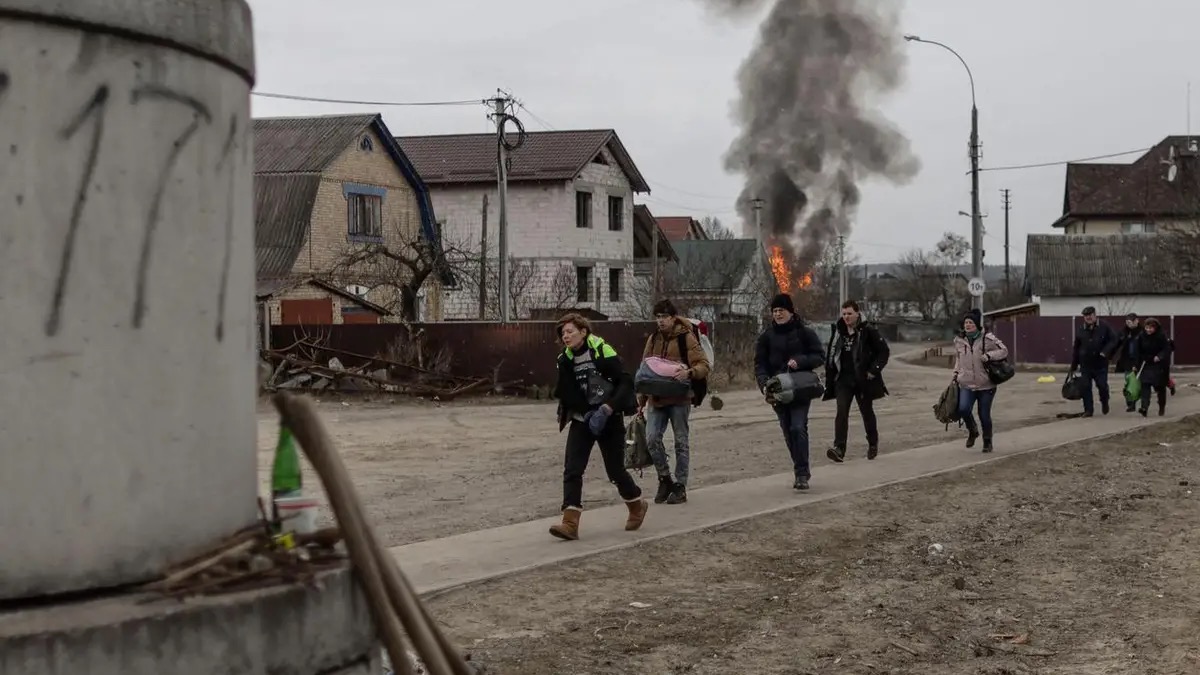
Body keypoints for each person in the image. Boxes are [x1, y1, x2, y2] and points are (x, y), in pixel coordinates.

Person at [550, 313, 648, 540]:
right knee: (572, 469)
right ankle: (570, 523)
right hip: (582, 419)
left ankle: (636, 504)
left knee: (615, 470)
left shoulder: (602, 351)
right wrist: (586, 412)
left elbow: (625, 381)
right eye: (563, 333)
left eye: (570, 331)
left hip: (609, 418)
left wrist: (607, 408)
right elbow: (567, 392)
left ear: (583, 332)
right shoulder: (564, 360)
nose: (565, 336)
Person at [638, 299, 711, 505]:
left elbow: (703, 365)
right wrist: (641, 399)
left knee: (681, 442)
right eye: (658, 317)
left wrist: (689, 372)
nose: (660, 321)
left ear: (673, 317)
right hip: (656, 399)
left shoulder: (685, 337)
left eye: (664, 317)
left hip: (679, 399)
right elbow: (645, 371)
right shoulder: (653, 339)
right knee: (652, 440)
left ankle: (680, 485)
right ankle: (665, 479)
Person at [754, 293, 825, 490]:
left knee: (798, 428)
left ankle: (802, 473)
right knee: (787, 430)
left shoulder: (804, 332)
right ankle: (800, 467)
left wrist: (800, 361)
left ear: (790, 312)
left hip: (800, 388)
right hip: (777, 391)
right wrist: (764, 384)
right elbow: (760, 364)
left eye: (781, 310)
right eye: (775, 311)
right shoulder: (766, 337)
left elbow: (819, 356)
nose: (777, 314)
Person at [823, 300, 890, 462]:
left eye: (849, 314)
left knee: (866, 413)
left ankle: (873, 443)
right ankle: (839, 448)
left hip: (862, 380)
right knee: (841, 412)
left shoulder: (868, 331)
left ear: (857, 314)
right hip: (843, 381)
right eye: (844, 314)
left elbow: (884, 351)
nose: (846, 317)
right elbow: (831, 354)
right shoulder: (838, 331)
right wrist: (829, 375)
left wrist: (874, 370)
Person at [952, 309, 1009, 453]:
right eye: (966, 323)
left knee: (984, 415)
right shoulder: (958, 340)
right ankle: (972, 430)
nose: (968, 325)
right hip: (966, 383)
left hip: (986, 384)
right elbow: (958, 359)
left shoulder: (987, 338)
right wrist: (956, 373)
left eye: (971, 322)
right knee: (963, 409)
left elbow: (1004, 351)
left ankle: (987, 441)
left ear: (977, 324)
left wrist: (989, 356)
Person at [1068, 306, 1118, 417]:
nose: (1088, 318)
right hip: (1085, 363)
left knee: (1102, 385)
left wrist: (1105, 351)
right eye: (1086, 316)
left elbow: (1114, 340)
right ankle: (1088, 410)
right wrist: (1074, 364)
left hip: (1100, 364)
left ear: (1095, 315)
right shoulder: (1081, 329)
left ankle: (1105, 401)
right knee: (1086, 386)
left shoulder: (1104, 326)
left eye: (1090, 315)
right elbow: (1076, 347)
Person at [1132, 317, 1173, 417]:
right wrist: (1135, 365)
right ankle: (1144, 407)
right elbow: (1136, 351)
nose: (1148, 330)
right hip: (1146, 364)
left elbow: (1167, 349)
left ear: (1156, 328)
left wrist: (1159, 356)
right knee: (1145, 386)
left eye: (1151, 328)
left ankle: (1161, 406)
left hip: (1159, 365)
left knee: (1159, 387)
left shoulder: (1161, 336)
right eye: (1147, 327)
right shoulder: (1141, 337)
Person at [1112, 313, 1143, 412]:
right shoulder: (1124, 332)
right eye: (1129, 322)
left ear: (1137, 321)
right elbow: (1116, 343)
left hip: (1141, 360)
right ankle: (1131, 404)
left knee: (1142, 383)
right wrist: (1107, 354)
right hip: (1128, 361)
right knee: (1129, 382)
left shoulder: (1143, 332)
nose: (1131, 324)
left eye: (1133, 322)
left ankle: (1144, 403)